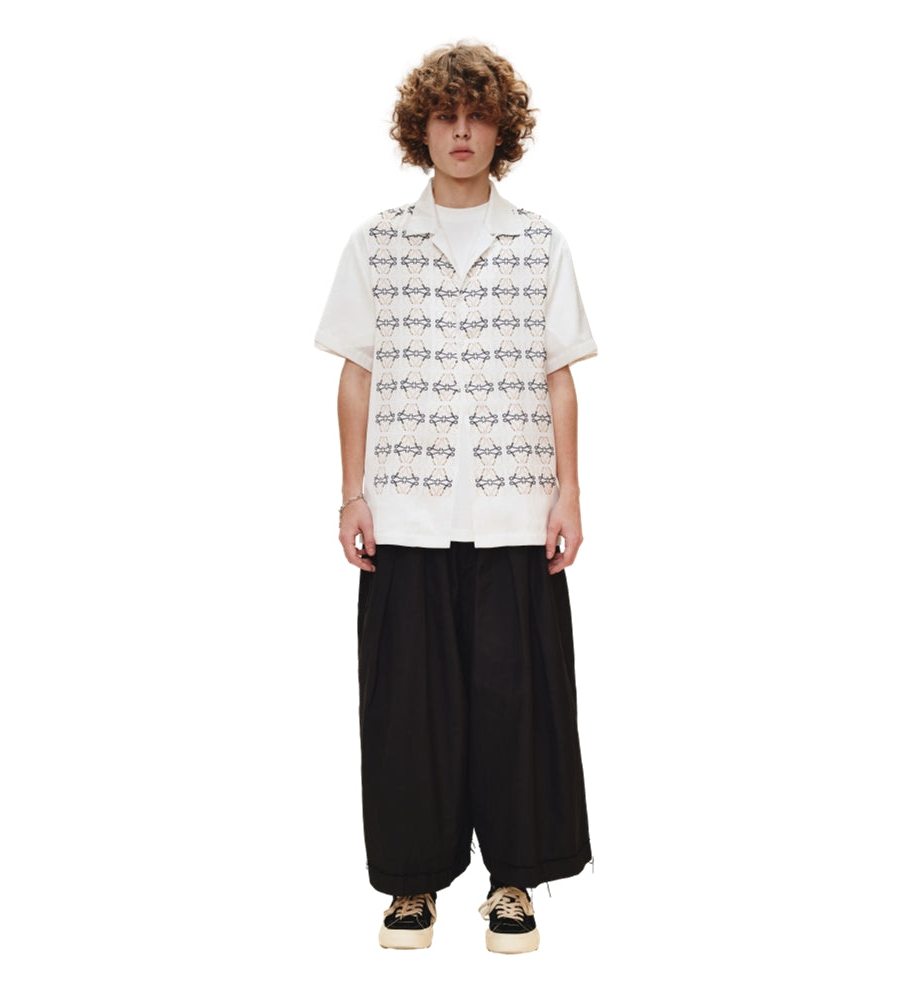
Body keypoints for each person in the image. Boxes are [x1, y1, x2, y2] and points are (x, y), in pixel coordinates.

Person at [315, 42, 597, 954]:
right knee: (407, 706)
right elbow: (356, 374)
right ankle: (412, 884)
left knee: (520, 703)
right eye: (447, 116)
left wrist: (570, 493)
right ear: (422, 129)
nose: (463, 132)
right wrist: (351, 494)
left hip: (517, 511)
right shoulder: (377, 244)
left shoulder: (539, 243)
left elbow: (559, 377)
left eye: (478, 116)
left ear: (501, 129)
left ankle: (514, 880)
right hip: (406, 512)